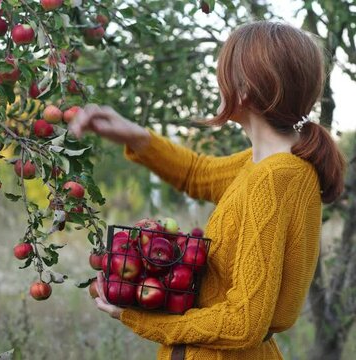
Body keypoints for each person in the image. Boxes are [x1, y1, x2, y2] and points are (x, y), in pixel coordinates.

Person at [69, 21, 346, 360]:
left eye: (223, 72)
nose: (219, 82)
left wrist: (138, 319)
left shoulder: (276, 177)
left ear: (244, 88)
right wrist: (135, 136)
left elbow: (243, 322)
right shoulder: (267, 164)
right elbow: (197, 173)